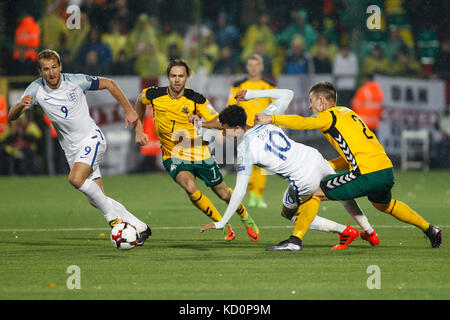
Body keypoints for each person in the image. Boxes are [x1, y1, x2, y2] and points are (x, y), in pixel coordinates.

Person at [254, 81, 442, 250]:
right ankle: (430, 229)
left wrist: (272, 119)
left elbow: (304, 123)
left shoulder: (328, 115)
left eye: (312, 101)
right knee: (384, 205)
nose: (310, 106)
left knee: (313, 192)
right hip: (385, 170)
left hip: (367, 173)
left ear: (321, 101)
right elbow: (351, 156)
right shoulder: (349, 113)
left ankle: (295, 241)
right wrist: (328, 165)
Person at [200, 88, 379, 250]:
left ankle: (342, 231)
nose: (223, 134)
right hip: (314, 158)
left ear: (237, 128)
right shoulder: (263, 117)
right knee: (342, 192)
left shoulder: (244, 151)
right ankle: (370, 231)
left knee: (288, 212)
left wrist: (222, 221)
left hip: (303, 178)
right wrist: (252, 94)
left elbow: (239, 191)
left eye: (225, 130)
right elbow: (288, 94)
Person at [8, 49, 152, 246]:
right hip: (72, 150)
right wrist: (19, 106)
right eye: (46, 69)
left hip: (92, 139)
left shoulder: (75, 81)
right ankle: (140, 227)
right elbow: (11, 116)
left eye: (54, 67)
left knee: (75, 179)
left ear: (60, 66)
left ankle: (115, 222)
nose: (51, 73)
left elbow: (109, 83)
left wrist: (129, 110)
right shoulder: (35, 89)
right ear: (40, 71)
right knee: (96, 199)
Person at [134, 59, 260, 242]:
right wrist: (139, 129)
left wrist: (202, 123)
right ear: (168, 77)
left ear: (187, 77)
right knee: (190, 187)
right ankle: (222, 224)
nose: (177, 80)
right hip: (173, 155)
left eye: (181, 76)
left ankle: (245, 217)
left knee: (223, 193)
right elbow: (139, 100)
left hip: (201, 153)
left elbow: (219, 121)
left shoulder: (196, 99)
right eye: (173, 76)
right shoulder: (154, 94)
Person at [227, 54, 277, 208]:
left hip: (264, 128)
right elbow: (231, 106)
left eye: (256, 65)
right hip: (245, 129)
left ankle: (258, 195)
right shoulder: (238, 85)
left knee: (262, 163)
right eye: (250, 65)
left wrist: (280, 125)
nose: (253, 68)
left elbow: (277, 107)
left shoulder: (269, 85)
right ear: (247, 67)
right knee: (248, 162)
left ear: (261, 67)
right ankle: (253, 195)